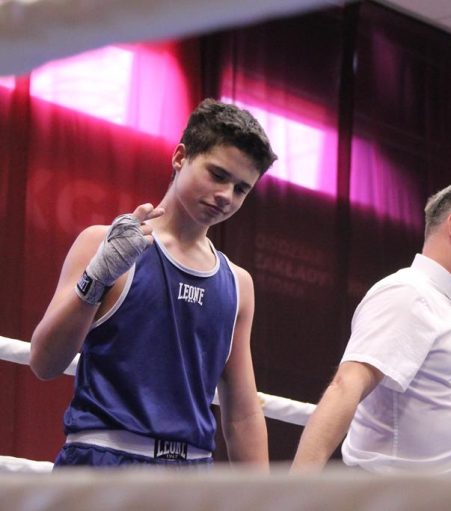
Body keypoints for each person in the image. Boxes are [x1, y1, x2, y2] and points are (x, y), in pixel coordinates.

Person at [29, 98, 276, 468]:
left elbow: (242, 413)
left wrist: (267, 497)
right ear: (180, 157)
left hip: (190, 473)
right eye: (217, 175)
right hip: (102, 463)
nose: (226, 196)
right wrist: (97, 277)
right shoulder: (100, 244)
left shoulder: (238, 284)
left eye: (241, 189)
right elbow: (45, 363)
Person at [290, 169, 451, 473]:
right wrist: (297, 490)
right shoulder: (410, 294)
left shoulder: (449, 302)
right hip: (394, 492)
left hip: (440, 494)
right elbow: (346, 386)